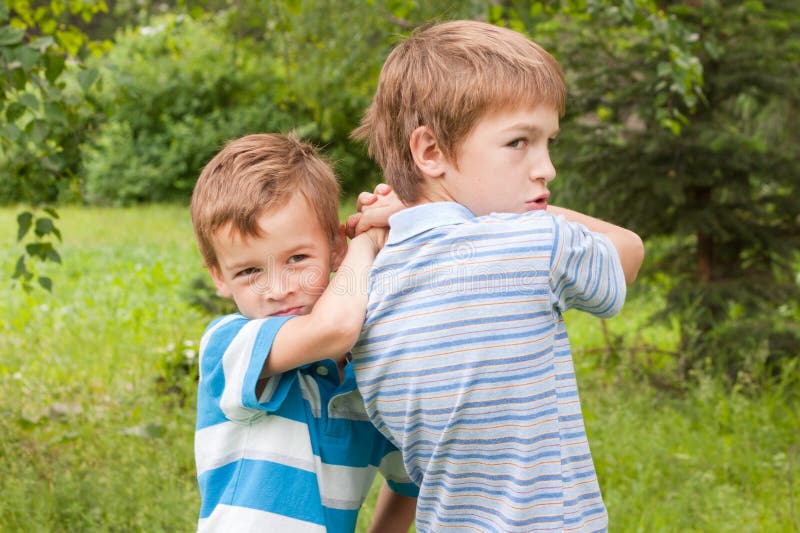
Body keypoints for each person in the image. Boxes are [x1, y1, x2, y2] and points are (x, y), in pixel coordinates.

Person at [347, 20, 645, 532]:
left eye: (547, 142)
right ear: (432, 152)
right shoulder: (535, 244)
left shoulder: (367, 288)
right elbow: (628, 250)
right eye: (519, 143)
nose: (546, 168)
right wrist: (535, 217)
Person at [189, 133, 418, 533]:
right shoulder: (228, 344)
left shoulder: (365, 376)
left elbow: (409, 481)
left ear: (333, 245)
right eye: (249, 271)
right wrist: (366, 241)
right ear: (218, 277)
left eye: (297, 258)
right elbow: (333, 329)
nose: (278, 289)